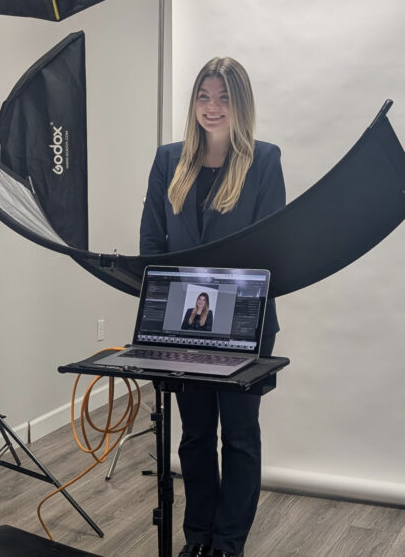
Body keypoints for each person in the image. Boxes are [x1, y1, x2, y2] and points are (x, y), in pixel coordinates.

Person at [140, 57, 285, 557]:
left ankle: (228, 542)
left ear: (240, 104)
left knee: (239, 438)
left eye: (223, 97)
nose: (212, 107)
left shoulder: (264, 161)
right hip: (185, 328)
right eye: (203, 95)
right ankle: (197, 536)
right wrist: (155, 323)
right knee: (195, 436)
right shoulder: (168, 161)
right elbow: (151, 246)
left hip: (245, 329)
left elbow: (272, 253)